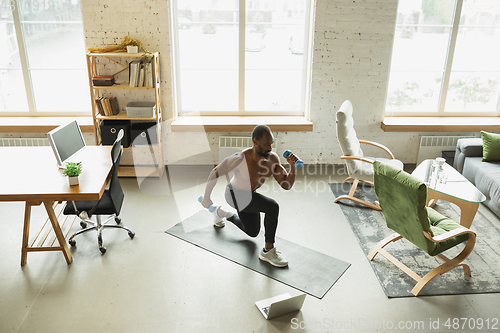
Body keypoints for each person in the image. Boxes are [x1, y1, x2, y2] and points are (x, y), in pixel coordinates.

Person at [201, 124, 300, 267]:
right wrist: (206, 197)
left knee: (252, 231)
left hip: (249, 195)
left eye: (271, 144)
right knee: (272, 206)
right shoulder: (240, 158)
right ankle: (268, 251)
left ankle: (219, 212)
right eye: (266, 145)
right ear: (255, 142)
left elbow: (286, 185)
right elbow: (215, 172)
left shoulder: (272, 159)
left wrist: (292, 167)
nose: (270, 148)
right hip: (234, 194)